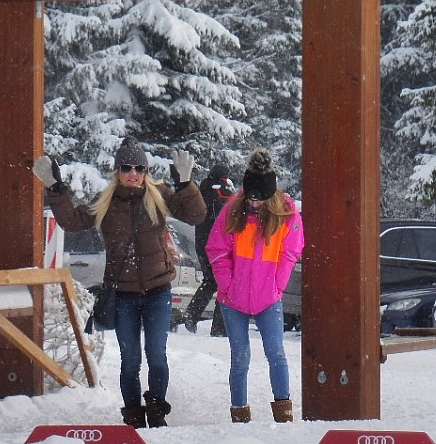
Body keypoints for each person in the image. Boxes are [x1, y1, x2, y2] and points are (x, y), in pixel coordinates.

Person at [33, 136, 206, 428]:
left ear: (146, 171)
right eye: (126, 167)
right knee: (130, 360)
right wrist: (55, 188)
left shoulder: (158, 196)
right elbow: (73, 222)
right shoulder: (106, 202)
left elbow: (197, 215)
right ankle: (134, 417)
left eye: (139, 168)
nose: (133, 174)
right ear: (117, 171)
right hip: (123, 295)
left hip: (157, 292)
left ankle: (156, 412)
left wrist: (186, 184)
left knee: (157, 355)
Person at [206, 147, 304, 423]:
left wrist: (277, 287)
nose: (255, 204)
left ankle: (283, 412)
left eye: (261, 199)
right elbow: (216, 251)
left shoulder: (286, 215)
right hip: (233, 300)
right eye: (251, 197)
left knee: (276, 353)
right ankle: (239, 414)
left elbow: (291, 252)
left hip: (268, 299)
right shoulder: (232, 212)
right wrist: (228, 285)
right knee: (240, 357)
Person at [182, 165, 235, 335]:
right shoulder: (221, 191)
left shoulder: (202, 190)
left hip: (202, 243)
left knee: (211, 281)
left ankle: (192, 314)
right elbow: (227, 216)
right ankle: (219, 327)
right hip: (217, 245)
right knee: (223, 283)